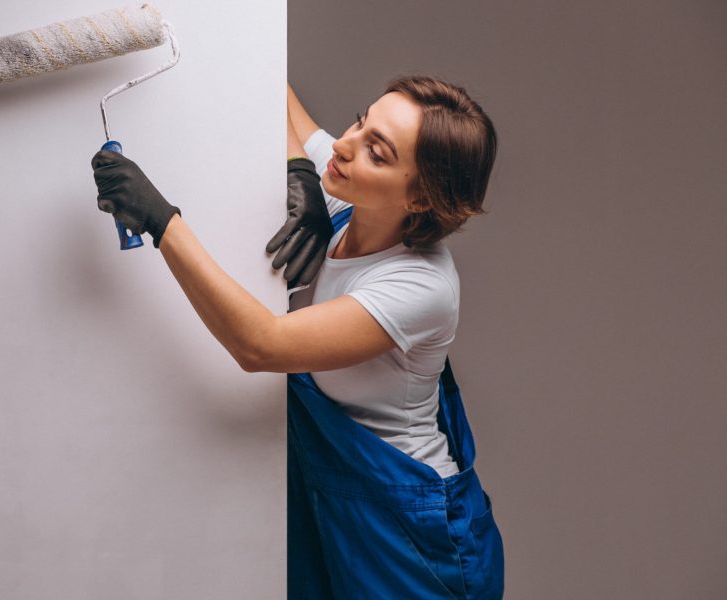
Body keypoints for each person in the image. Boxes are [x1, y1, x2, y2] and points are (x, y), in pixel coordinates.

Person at [91, 75, 504, 599]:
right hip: (336, 502)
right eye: (360, 121)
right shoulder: (342, 187)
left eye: (376, 152)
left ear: (422, 196)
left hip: (410, 530)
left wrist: (160, 219)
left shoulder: (421, 284)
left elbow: (260, 345)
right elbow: (273, 87)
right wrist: (299, 169)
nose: (344, 146)